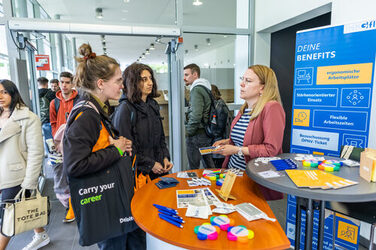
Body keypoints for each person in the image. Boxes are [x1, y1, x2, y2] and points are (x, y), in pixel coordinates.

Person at [62, 43, 140, 250]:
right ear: (100, 83)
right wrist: (116, 150)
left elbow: (94, 146)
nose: (122, 86)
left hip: (112, 201)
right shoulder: (87, 115)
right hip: (105, 205)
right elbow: (75, 165)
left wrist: (116, 144)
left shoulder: (95, 109)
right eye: (118, 81)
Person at [213, 65, 285, 200]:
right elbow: (249, 138)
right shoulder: (245, 108)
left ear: (262, 88)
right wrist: (228, 142)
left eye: (248, 81)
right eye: (242, 79)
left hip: (252, 179)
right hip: (233, 175)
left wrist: (236, 150)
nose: (241, 84)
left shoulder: (271, 107)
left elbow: (271, 149)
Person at [0, 79, 50, 250]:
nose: (0, 96)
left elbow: (36, 152)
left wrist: (30, 182)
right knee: (22, 209)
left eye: (4, 92)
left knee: (8, 215)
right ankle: (41, 234)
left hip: (16, 174)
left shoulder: (28, 118)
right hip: (2, 172)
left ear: (13, 94)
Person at [112, 63, 173, 181]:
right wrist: (150, 165)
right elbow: (127, 149)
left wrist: (165, 157)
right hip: (139, 175)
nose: (150, 83)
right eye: (144, 80)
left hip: (159, 170)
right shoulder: (125, 109)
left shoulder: (153, 105)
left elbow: (160, 138)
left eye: (150, 78)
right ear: (133, 82)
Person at [49, 71, 78, 223]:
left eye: (67, 82)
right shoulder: (54, 103)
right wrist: (56, 141)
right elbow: (53, 123)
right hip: (59, 144)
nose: (64, 85)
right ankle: (68, 204)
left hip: (76, 143)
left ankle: (75, 205)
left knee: (75, 171)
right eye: (62, 82)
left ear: (72, 83)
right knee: (60, 174)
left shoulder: (79, 99)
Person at [184, 63, 215, 169]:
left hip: (197, 134)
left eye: (186, 75)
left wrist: (188, 132)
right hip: (205, 133)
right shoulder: (205, 87)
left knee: (193, 167)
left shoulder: (196, 89)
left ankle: (193, 185)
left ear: (195, 74)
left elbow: (196, 115)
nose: (184, 78)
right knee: (208, 165)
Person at [38, 76, 55, 156]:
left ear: (38, 84)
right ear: (47, 84)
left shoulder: (35, 94)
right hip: (51, 118)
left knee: (45, 138)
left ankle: (48, 153)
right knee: (52, 137)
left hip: (40, 119)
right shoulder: (51, 93)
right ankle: (53, 153)